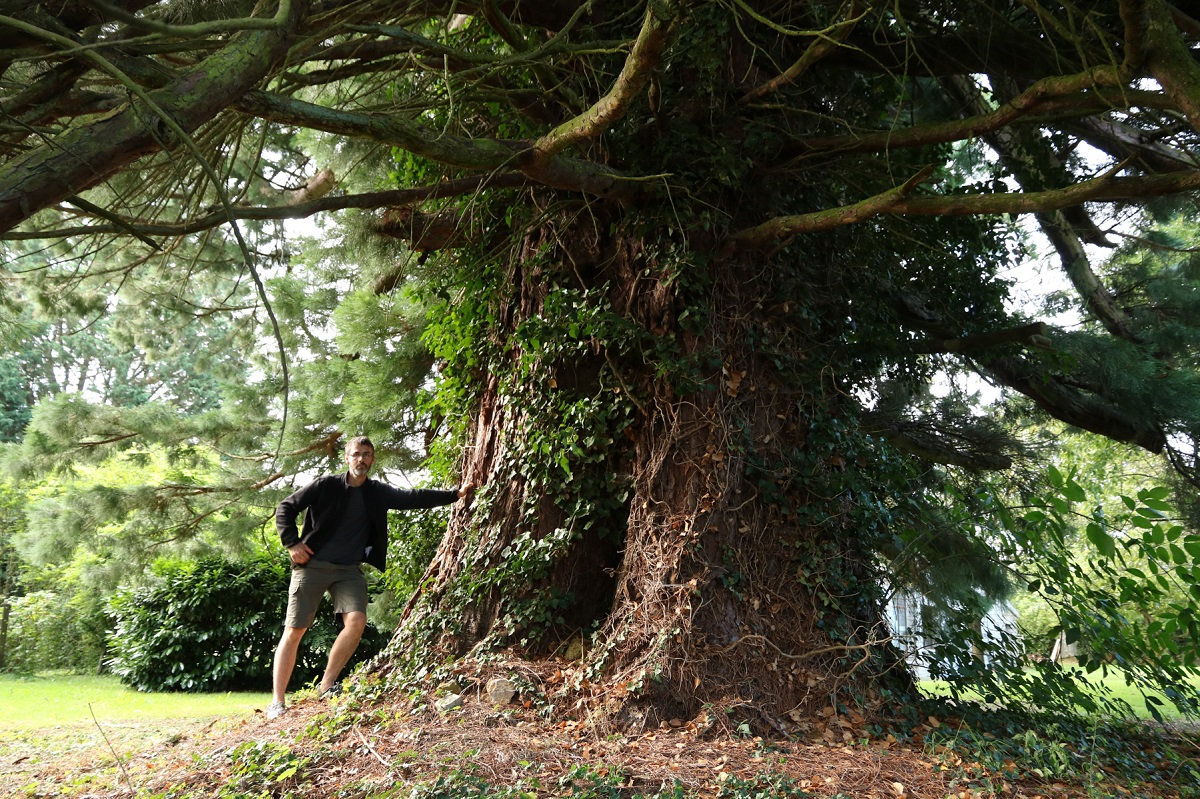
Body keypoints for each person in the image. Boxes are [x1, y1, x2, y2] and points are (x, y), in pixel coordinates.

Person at [266, 435, 472, 720]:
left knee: (357, 621)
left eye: (366, 454)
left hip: (348, 570)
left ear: (372, 459)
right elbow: (286, 508)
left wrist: (454, 495)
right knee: (295, 630)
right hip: (312, 565)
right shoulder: (326, 485)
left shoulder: (377, 492)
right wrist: (292, 543)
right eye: (356, 454)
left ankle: (327, 685)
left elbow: (412, 498)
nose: (361, 459)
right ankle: (277, 701)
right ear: (346, 458)